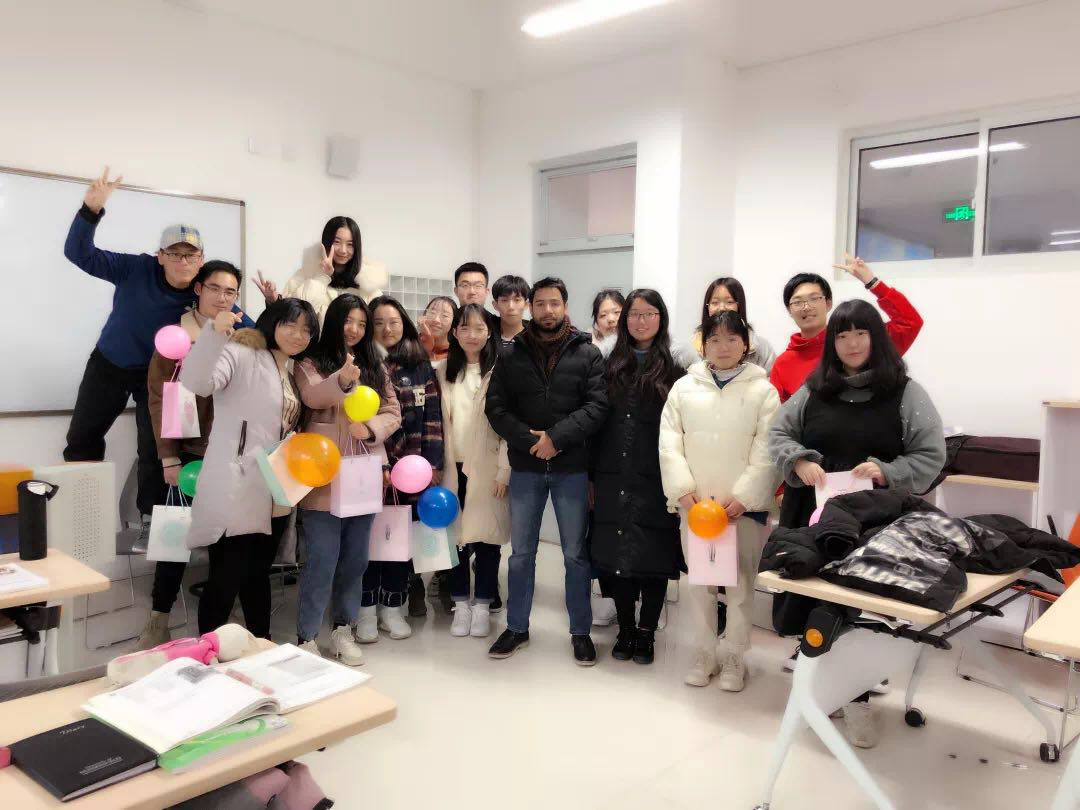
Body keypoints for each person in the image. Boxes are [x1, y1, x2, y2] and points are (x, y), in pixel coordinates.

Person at [768, 299, 945, 745]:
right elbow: (778, 432)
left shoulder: (905, 392)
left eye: (860, 333)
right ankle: (820, 693)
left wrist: (888, 471)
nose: (851, 344)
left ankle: (857, 697)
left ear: (876, 338)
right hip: (813, 515)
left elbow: (931, 455)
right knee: (816, 607)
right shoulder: (814, 389)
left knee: (862, 613)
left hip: (873, 523)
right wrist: (799, 460)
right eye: (842, 335)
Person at [62, 167, 251, 545]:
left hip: (162, 376)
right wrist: (90, 211)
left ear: (201, 259)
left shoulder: (205, 291)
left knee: (155, 448)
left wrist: (279, 311)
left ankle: (150, 520)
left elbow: (251, 329)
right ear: (159, 256)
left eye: (191, 254)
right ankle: (75, 516)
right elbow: (78, 253)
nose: (183, 261)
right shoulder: (135, 268)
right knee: (82, 438)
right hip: (111, 364)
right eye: (174, 253)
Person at [485, 277, 608, 664]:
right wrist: (530, 441)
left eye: (555, 303)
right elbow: (496, 408)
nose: (548, 310)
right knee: (521, 553)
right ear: (530, 307)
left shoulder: (587, 353)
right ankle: (516, 627)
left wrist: (556, 438)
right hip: (526, 467)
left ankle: (580, 632)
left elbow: (597, 407)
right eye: (540, 304)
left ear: (565, 306)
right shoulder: (511, 354)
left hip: (571, 467)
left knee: (574, 555)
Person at [181, 298, 319, 638]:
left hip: (274, 488)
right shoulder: (243, 354)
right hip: (238, 483)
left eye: (306, 329)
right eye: (290, 325)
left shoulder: (289, 370)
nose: (298, 335)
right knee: (225, 577)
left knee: (258, 574)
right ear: (271, 324)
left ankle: (261, 643)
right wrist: (214, 334)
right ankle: (208, 650)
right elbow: (197, 382)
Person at [660, 311, 781, 692]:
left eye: (732, 339)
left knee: (740, 586)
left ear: (746, 344)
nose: (723, 347)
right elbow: (669, 442)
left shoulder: (763, 391)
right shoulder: (684, 388)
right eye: (714, 339)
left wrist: (744, 497)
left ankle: (734, 657)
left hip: (739, 510)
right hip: (696, 507)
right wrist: (682, 490)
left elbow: (768, 451)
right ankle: (704, 653)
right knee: (700, 585)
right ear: (704, 345)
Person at [137, 260, 245, 648]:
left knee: (226, 545)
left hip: (230, 459)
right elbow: (158, 399)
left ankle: (219, 621)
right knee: (173, 542)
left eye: (230, 292)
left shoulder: (243, 339)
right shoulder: (176, 338)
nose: (222, 297)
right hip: (188, 457)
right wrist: (168, 457)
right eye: (215, 288)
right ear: (198, 289)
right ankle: (158, 620)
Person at [294, 295, 401, 665]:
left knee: (355, 560)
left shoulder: (374, 364)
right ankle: (307, 637)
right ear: (334, 322)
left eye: (361, 323)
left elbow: (392, 411)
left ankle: (343, 629)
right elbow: (311, 395)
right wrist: (342, 379)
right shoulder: (309, 362)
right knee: (321, 560)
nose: (354, 329)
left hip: (362, 476)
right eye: (347, 321)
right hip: (322, 476)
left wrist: (370, 429)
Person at [590, 290, 685, 665]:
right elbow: (595, 422)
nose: (641, 321)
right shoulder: (608, 365)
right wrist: (591, 477)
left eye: (649, 314)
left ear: (661, 319)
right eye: (634, 314)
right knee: (618, 555)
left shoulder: (675, 369)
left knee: (654, 555)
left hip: (657, 477)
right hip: (612, 473)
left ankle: (646, 632)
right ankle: (626, 628)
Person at [357, 296, 444, 640]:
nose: (386, 329)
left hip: (412, 469)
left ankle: (393, 607)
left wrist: (432, 464)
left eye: (393, 322)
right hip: (369, 467)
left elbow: (433, 418)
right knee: (366, 543)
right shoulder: (361, 364)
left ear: (404, 324)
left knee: (397, 542)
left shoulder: (419, 366)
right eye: (378, 322)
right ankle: (364, 611)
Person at [437, 304, 510, 638]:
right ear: (455, 333)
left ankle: (482, 604)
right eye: (464, 328)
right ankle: (460, 604)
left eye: (479, 328)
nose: (471, 335)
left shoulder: (500, 370)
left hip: (488, 466)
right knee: (455, 538)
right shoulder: (442, 371)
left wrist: (504, 470)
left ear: (489, 332)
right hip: (453, 467)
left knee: (488, 537)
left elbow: (510, 425)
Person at [770, 255, 923, 402]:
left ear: (828, 303)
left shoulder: (857, 343)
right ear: (789, 310)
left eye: (814, 298)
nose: (806, 307)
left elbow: (910, 322)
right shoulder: (783, 364)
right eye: (797, 302)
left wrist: (872, 282)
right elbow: (782, 415)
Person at [253, 216, 387, 323]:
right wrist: (323, 276)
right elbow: (295, 315)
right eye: (337, 242)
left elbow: (378, 325)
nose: (343, 250)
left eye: (350, 244)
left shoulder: (368, 284)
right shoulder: (305, 274)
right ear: (327, 242)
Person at [675, 277, 776, 372]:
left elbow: (769, 380)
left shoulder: (761, 349)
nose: (722, 308)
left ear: (740, 305)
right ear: (707, 307)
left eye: (729, 302)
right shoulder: (687, 351)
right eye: (715, 302)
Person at [491, 274, 530, 348]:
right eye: (504, 300)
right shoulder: (486, 338)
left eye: (517, 300)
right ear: (495, 305)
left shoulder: (536, 338)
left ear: (526, 304)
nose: (511, 307)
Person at [417, 295, 458, 363]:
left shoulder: (456, 353)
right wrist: (426, 338)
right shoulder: (412, 344)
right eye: (432, 313)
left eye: (445, 316)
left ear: (453, 322)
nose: (436, 320)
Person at [590, 289, 625, 359]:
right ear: (596, 322)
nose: (611, 319)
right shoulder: (590, 354)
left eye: (617, 312)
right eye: (603, 315)